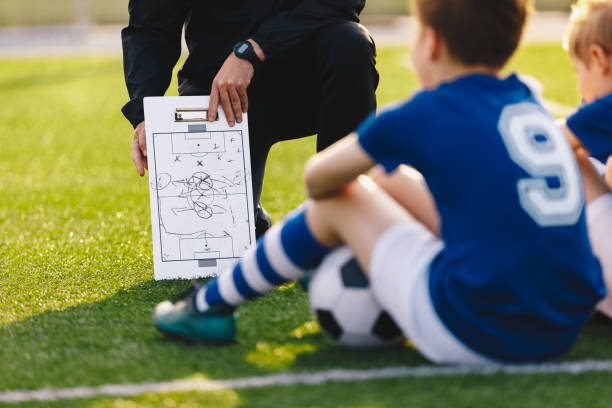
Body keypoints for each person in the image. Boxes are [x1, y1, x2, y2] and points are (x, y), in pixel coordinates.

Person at [153, 0, 605, 364]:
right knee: (392, 180)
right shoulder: (532, 103)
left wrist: (361, 180)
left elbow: (318, 179)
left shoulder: (421, 113)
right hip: (562, 327)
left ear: (430, 43)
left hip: (476, 332)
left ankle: (210, 305)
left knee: (342, 198)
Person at [121, 0, 379, 237]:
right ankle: (250, 216)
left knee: (351, 42)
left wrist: (255, 48)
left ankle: (339, 215)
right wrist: (144, 114)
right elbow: (150, 26)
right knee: (219, 237)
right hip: (220, 89)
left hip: (305, 82)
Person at [560, 0, 612, 317]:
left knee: (570, 162)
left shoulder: (605, 109)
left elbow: (548, 143)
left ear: (597, 58)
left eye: (578, 71)